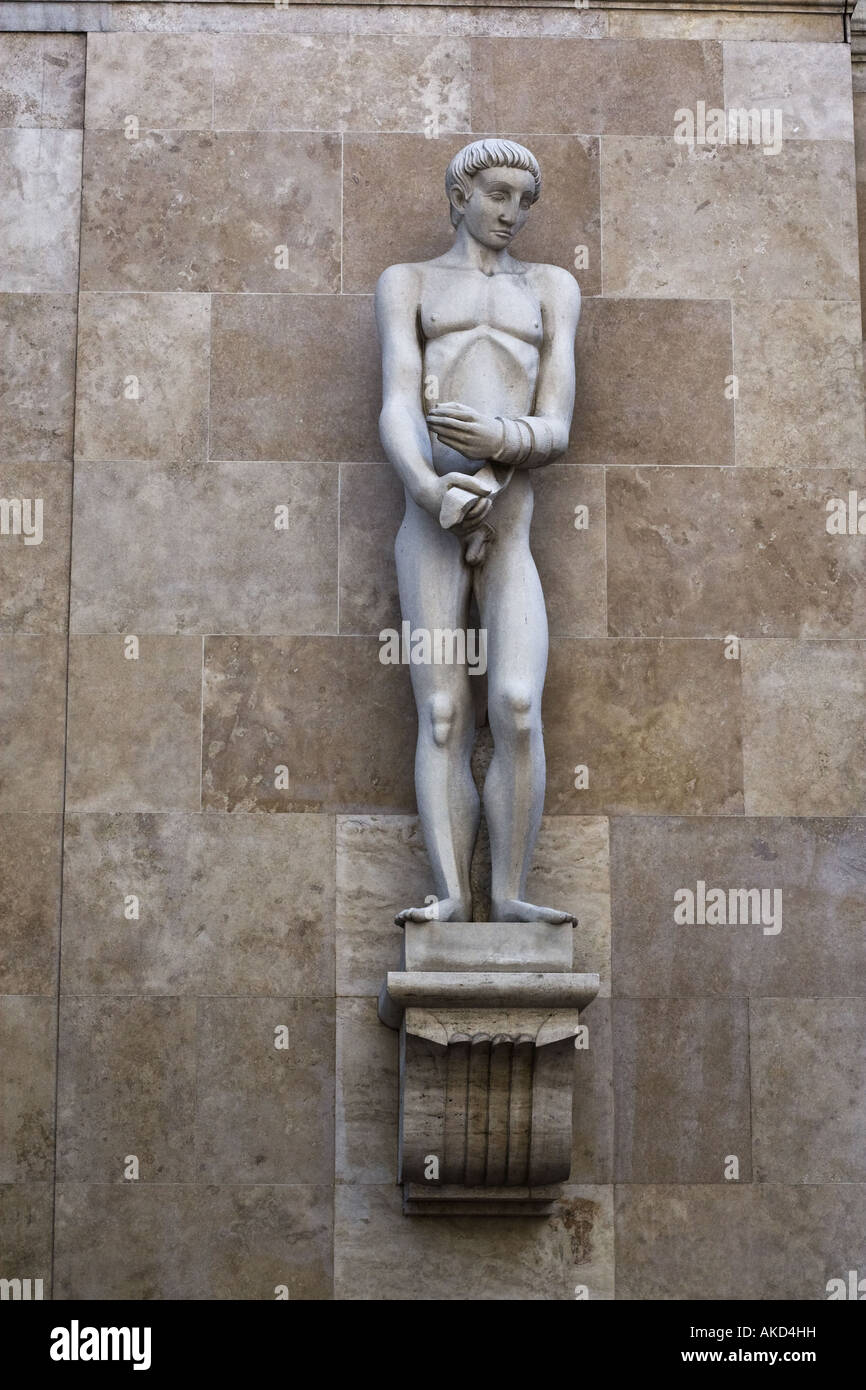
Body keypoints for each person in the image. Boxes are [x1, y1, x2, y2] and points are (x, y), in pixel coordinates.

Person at [375, 138, 581, 926]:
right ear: (460, 194)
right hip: (430, 522)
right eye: (498, 194)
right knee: (442, 714)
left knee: (519, 704)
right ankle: (454, 898)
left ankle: (511, 892)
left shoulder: (552, 290)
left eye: (525, 201)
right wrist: (430, 491)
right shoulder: (409, 283)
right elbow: (398, 399)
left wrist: (502, 441)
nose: (512, 213)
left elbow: (556, 424)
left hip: (512, 520)